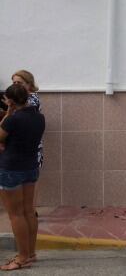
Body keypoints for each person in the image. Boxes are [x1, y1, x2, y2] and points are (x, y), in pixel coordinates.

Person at [0, 84, 45, 270]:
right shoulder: (39, 117)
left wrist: (8, 113)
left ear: (9, 100)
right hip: (31, 167)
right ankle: (31, 253)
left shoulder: (12, 120)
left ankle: (21, 257)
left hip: (11, 169)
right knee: (28, 211)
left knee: (15, 214)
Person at [11, 71, 42, 169]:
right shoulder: (20, 98)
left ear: (29, 84)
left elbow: (21, 118)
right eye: (14, 83)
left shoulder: (31, 99)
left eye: (19, 83)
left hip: (27, 145)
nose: (16, 86)